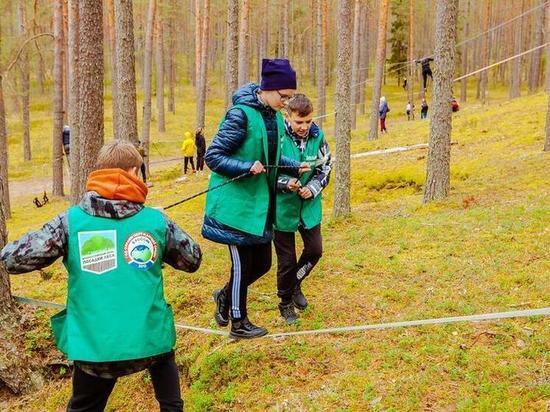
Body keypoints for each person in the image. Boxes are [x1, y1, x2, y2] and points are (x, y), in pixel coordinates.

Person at [0, 140, 202, 412]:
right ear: (132, 172)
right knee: (171, 404)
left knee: (84, 407)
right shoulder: (156, 221)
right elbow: (193, 260)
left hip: (95, 347)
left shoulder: (69, 222)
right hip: (150, 341)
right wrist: (162, 226)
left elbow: (12, 259)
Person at [202, 58, 309, 339]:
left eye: (289, 98)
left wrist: (292, 165)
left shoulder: (273, 116)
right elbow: (212, 156)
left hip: (259, 206)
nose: (285, 103)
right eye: (282, 96)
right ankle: (239, 323)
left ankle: (224, 297)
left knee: (262, 263)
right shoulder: (239, 115)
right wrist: (245, 167)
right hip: (234, 206)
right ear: (267, 88)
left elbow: (269, 156)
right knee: (241, 265)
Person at [273, 94, 332, 324]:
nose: (304, 127)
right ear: (289, 117)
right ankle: (285, 302)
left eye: (308, 121)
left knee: (315, 250)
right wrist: (285, 184)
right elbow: (270, 172)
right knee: (286, 261)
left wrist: (314, 187)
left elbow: (325, 166)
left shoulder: (318, 136)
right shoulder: (277, 136)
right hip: (283, 209)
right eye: (299, 122)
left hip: (308, 207)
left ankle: (296, 283)